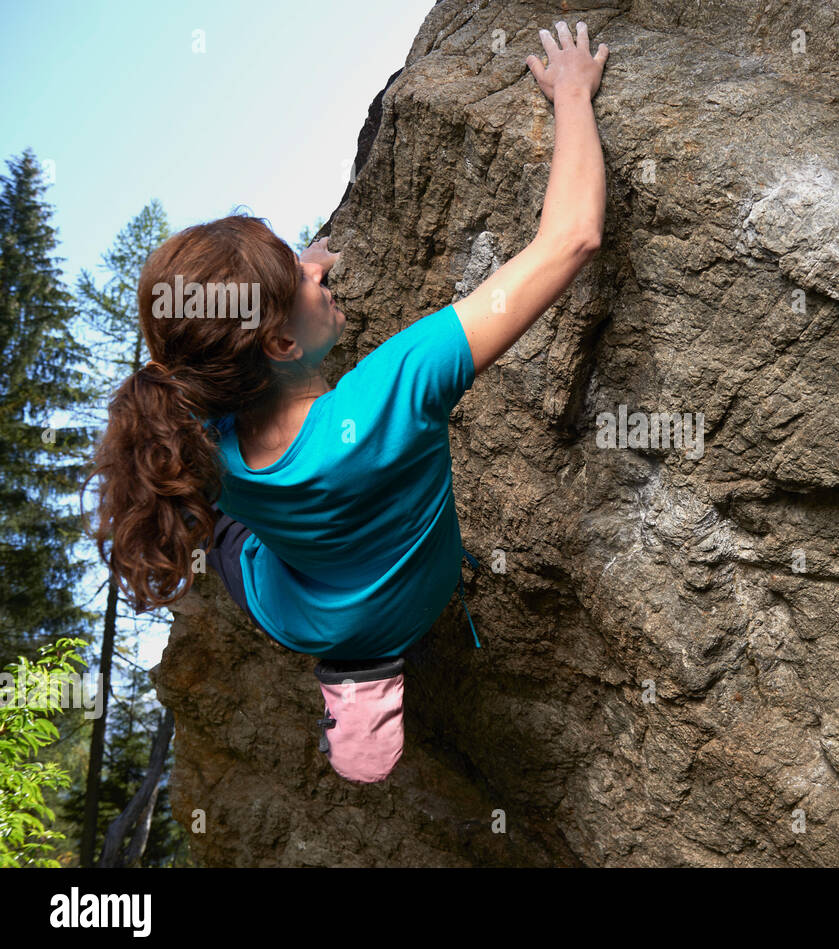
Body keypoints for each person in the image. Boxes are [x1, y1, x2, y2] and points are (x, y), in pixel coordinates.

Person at [87, 21, 610, 783]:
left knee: (226, 532)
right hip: (415, 594)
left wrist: (281, 286)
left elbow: (201, 347)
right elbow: (572, 238)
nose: (317, 269)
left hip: (303, 615)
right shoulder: (401, 381)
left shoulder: (198, 425)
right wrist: (571, 92)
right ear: (276, 344)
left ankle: (358, 683)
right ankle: (364, 673)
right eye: (301, 275)